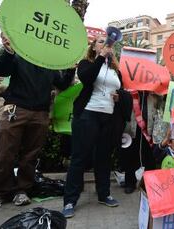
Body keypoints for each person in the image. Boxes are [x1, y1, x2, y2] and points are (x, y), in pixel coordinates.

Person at [0, 33, 75, 210]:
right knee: (4, 152)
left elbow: (61, 84)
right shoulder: (19, 54)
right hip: (15, 110)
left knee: (30, 155)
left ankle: (22, 191)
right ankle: (0, 192)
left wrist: (70, 68)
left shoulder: (49, 64)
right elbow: (1, 70)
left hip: (40, 113)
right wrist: (8, 50)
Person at [62, 35, 121, 218]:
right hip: (88, 114)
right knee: (79, 157)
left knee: (103, 158)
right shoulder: (86, 63)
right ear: (94, 47)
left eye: (108, 42)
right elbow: (87, 79)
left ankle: (104, 194)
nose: (106, 44)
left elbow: (121, 89)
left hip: (107, 117)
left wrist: (119, 97)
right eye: (101, 41)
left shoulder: (114, 69)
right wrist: (101, 57)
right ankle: (70, 201)